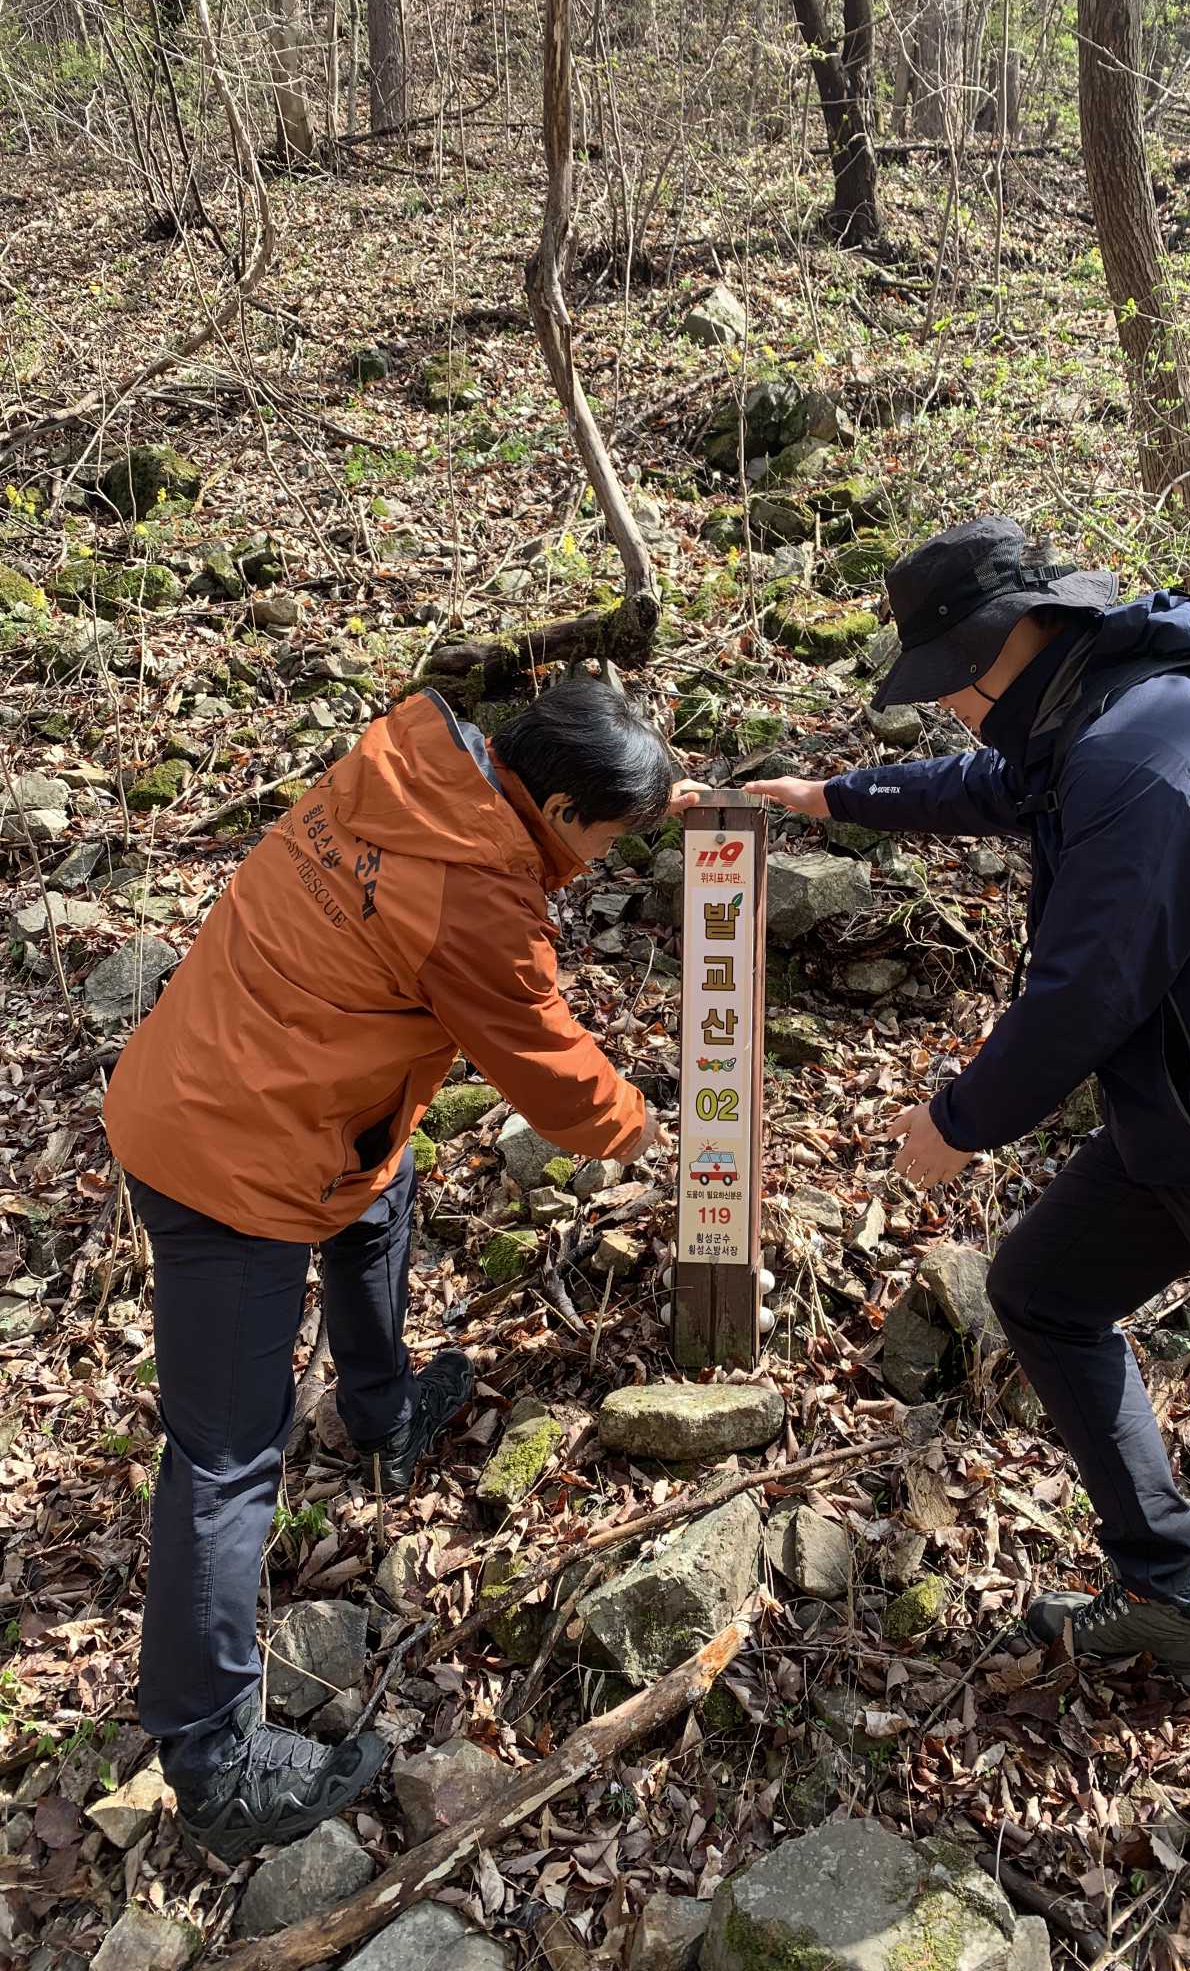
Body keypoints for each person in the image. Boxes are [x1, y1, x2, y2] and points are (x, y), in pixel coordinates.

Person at [749, 515, 1190, 1949]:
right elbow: (989, 788)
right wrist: (834, 796)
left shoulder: (1143, 755)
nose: (946, 704)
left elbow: (1083, 990)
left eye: (948, 675)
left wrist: (957, 1120)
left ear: (1013, 640)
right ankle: (1167, 1593)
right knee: (1045, 1290)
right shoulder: (1092, 720)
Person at [106, 677, 694, 1861]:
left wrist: (644, 794)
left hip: (264, 1082)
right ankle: (211, 1760)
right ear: (558, 807)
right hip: (231, 1160)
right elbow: (550, 1071)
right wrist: (645, 1131)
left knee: (381, 1197)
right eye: (610, 835)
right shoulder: (475, 901)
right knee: (226, 1454)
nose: (609, 859)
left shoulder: (409, 768)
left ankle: (383, 1414)